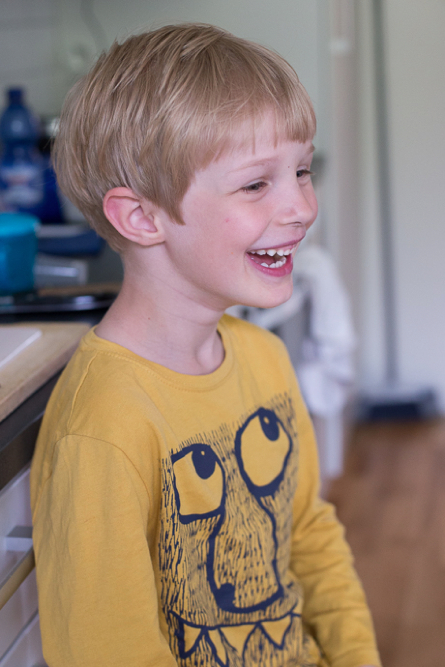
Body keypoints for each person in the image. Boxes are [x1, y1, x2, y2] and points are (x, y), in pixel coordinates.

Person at [30, 23, 381, 667]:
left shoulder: (263, 357)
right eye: (256, 184)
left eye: (301, 170)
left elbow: (308, 536)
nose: (303, 207)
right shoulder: (103, 426)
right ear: (142, 217)